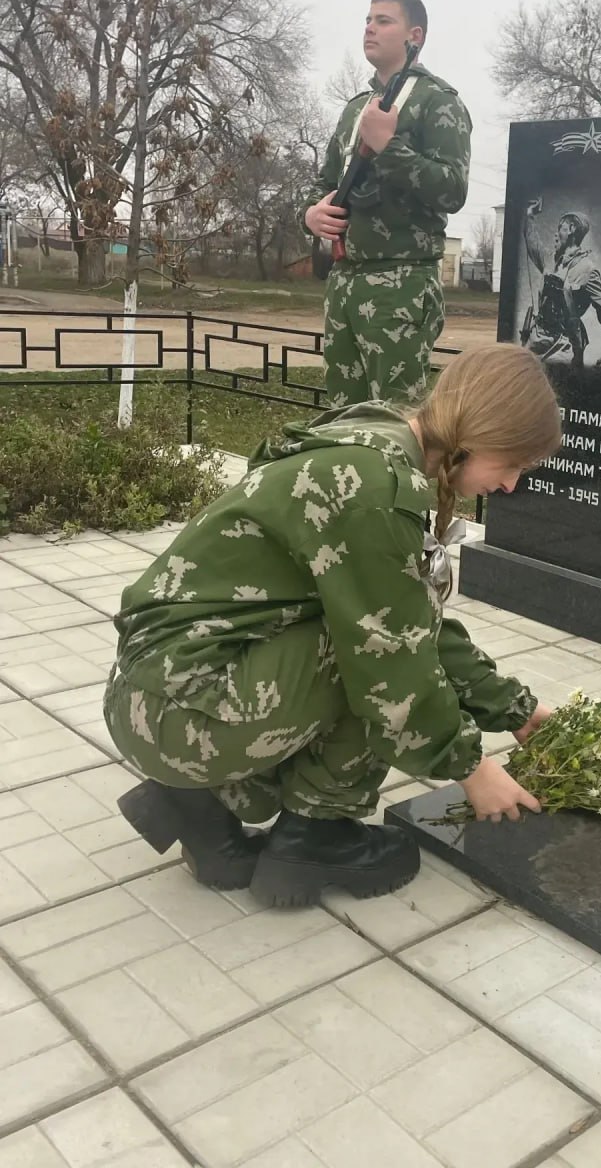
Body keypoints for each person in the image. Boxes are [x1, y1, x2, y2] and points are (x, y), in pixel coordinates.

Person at [102, 344, 560, 907]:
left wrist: (513, 708)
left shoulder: (378, 443)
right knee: (371, 662)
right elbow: (394, 656)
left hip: (159, 692)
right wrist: (471, 768)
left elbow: (407, 615)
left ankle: (200, 809)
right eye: (512, 464)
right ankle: (316, 836)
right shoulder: (372, 488)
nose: (511, 485)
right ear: (477, 434)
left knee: (371, 633)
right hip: (180, 709)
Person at [303, 0, 471, 408]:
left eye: (383, 21)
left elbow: (453, 189)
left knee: (395, 417)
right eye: (367, 20)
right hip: (344, 281)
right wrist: (311, 214)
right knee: (343, 417)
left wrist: (388, 147)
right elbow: (324, 180)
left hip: (400, 282)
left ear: (415, 36)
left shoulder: (437, 101)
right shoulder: (355, 108)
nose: (370, 29)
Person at [520, 197, 601, 368]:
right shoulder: (550, 260)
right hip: (537, 338)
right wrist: (529, 216)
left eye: (560, 228)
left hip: (564, 345)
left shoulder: (587, 270)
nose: (556, 234)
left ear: (572, 229)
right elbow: (533, 245)